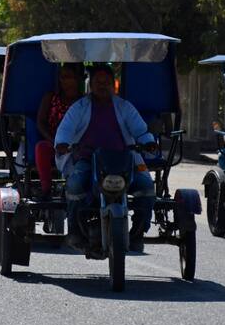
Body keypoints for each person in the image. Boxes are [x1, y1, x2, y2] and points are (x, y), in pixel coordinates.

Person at [55, 65, 157, 252]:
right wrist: (62, 143)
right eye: (98, 82)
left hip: (124, 160)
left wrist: (148, 142)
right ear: (90, 85)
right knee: (75, 184)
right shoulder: (80, 107)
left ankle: (138, 233)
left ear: (114, 85)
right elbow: (65, 130)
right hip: (88, 160)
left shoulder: (124, 107)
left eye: (107, 83)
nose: (103, 86)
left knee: (147, 187)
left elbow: (140, 130)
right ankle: (75, 230)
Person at [34, 63, 84, 197]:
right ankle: (46, 189)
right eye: (62, 77)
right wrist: (54, 140)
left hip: (79, 146)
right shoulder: (50, 98)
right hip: (54, 142)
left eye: (69, 76)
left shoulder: (84, 101)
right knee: (41, 148)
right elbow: (41, 122)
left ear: (78, 79)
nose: (65, 80)